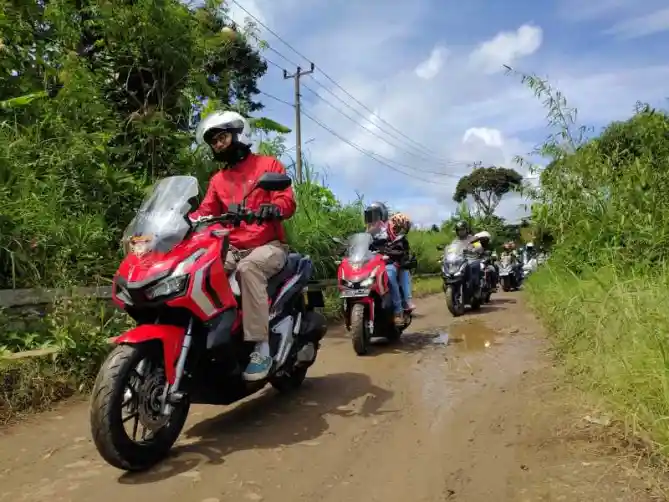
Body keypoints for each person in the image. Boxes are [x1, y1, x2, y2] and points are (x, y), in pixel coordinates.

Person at [189, 110, 296, 382]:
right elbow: (205, 212)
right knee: (195, 270)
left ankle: (261, 347)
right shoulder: (217, 180)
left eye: (222, 137)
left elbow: (287, 201)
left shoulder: (268, 166)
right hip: (230, 249)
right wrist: (182, 222)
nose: (218, 145)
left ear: (240, 134)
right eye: (213, 141)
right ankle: (210, 338)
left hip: (268, 245)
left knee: (248, 268)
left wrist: (273, 208)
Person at [388, 212, 416, 314]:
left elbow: (404, 254)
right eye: (396, 227)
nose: (398, 231)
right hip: (380, 262)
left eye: (401, 229)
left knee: (402, 271)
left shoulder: (403, 240)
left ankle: (404, 302)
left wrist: (399, 259)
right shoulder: (382, 236)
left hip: (395, 264)